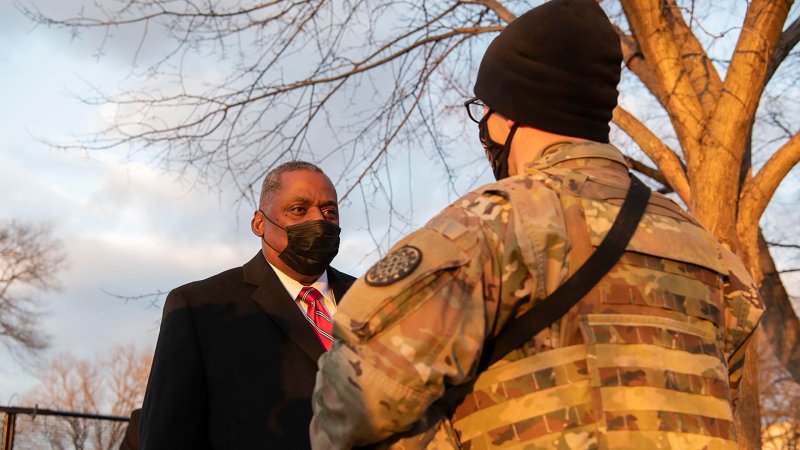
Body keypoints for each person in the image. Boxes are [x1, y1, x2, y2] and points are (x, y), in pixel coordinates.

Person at [310, 1, 765, 448]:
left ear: (509, 114)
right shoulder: (709, 252)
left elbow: (354, 402)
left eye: (484, 109)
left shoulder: (486, 229)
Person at [140, 161, 355, 449]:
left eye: (329, 211)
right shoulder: (200, 307)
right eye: (299, 210)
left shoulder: (376, 300)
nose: (318, 220)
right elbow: (168, 437)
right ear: (259, 223)